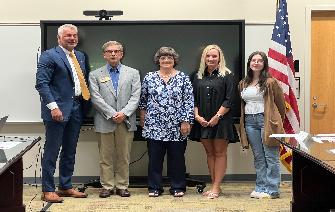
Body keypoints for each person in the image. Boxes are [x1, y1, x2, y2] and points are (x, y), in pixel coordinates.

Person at [36, 24, 89, 203]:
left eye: (74, 35)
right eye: (68, 36)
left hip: (76, 108)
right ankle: (48, 190)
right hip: (56, 111)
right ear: (59, 38)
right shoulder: (49, 55)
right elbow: (42, 84)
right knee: (52, 150)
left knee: (70, 150)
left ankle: (65, 186)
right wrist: (53, 107)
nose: (72, 38)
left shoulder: (80, 56)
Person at [139, 47, 194, 197]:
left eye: (169, 57)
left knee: (177, 159)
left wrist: (186, 121)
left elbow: (188, 101)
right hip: (154, 125)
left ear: (174, 60)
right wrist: (143, 119)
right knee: (154, 160)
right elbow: (143, 101)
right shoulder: (149, 77)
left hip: (177, 126)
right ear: (158, 60)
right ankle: (154, 187)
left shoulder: (183, 77)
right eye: (163, 58)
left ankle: (178, 186)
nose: (166, 60)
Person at [89, 41, 141, 198]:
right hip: (105, 120)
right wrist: (112, 114)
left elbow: (135, 96)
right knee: (105, 157)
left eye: (116, 51)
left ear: (121, 54)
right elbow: (95, 98)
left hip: (126, 121)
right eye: (109, 51)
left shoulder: (133, 73)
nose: (113, 54)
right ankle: (107, 186)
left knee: (123, 157)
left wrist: (124, 113)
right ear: (104, 55)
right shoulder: (95, 74)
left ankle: (122, 186)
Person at [190, 44, 237, 199]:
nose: (211, 59)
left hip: (221, 121)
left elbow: (229, 100)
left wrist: (218, 117)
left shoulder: (228, 75)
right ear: (204, 57)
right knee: (209, 154)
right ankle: (214, 185)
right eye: (208, 56)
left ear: (219, 58)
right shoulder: (196, 76)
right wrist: (197, 116)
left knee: (220, 153)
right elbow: (192, 99)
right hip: (202, 121)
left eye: (214, 56)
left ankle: (216, 188)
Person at [239, 51, 285, 199]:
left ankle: (272, 190)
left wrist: (276, 122)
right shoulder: (243, 83)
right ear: (249, 63)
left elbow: (280, 105)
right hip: (250, 122)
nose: (256, 63)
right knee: (258, 157)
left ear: (264, 64)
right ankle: (261, 187)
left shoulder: (271, 82)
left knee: (271, 156)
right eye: (253, 60)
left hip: (267, 121)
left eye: (260, 60)